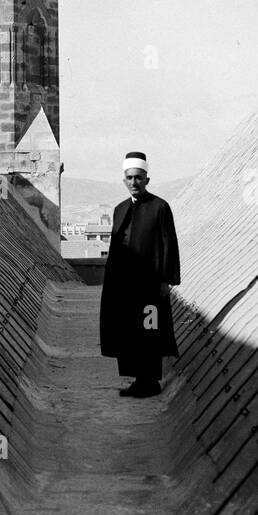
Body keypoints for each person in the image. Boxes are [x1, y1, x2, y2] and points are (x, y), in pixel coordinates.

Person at [99, 150, 181, 398]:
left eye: (138, 177)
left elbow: (169, 245)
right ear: (124, 180)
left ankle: (150, 382)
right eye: (129, 178)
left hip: (150, 289)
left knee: (150, 332)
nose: (133, 182)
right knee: (129, 334)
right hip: (125, 289)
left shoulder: (160, 208)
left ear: (147, 179)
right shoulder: (119, 210)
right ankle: (137, 380)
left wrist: (167, 280)